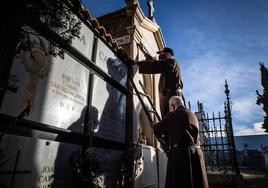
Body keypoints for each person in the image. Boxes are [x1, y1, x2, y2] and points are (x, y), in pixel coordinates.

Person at [153, 96, 209, 188]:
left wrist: (154, 125)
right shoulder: (192, 114)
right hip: (196, 154)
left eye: (170, 107)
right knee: (196, 183)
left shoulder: (174, 114)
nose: (170, 110)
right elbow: (181, 131)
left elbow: (158, 129)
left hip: (182, 155)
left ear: (173, 106)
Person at [135, 47, 183, 118]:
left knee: (171, 119)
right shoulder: (169, 65)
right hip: (170, 95)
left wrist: (138, 64)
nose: (160, 55)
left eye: (162, 54)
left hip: (172, 95)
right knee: (168, 119)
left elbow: (157, 65)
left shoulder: (171, 62)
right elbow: (156, 63)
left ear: (168, 54)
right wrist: (145, 53)